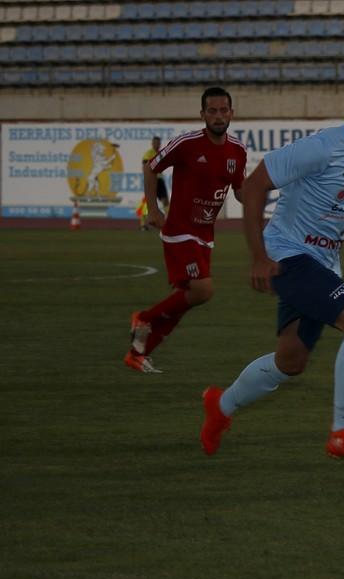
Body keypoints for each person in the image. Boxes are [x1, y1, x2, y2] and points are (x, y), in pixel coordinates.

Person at [199, 64, 344, 463]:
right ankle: (343, 430)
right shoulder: (321, 147)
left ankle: (221, 406)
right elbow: (252, 188)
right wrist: (258, 257)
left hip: (323, 265)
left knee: (291, 362)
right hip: (288, 256)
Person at [125, 87, 247, 373]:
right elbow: (150, 168)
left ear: (232, 112)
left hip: (205, 236)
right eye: (212, 111)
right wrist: (153, 210)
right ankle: (143, 317)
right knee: (203, 290)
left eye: (223, 110)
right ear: (202, 114)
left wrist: (272, 188)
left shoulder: (238, 151)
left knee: (186, 300)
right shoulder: (187, 143)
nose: (218, 116)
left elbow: (241, 193)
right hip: (180, 230)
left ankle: (138, 351)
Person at [137, 136, 170, 230]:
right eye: (155, 143)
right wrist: (148, 179)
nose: (157, 144)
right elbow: (145, 166)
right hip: (153, 180)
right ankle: (143, 224)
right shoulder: (149, 153)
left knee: (165, 201)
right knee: (147, 202)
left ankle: (168, 223)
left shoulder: (160, 153)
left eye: (158, 143)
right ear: (152, 143)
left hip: (160, 179)